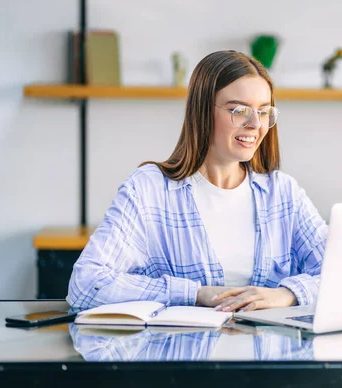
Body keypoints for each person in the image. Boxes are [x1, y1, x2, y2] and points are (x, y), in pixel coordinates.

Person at [67, 50, 327, 313]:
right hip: (180, 352)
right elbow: (86, 285)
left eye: (262, 112)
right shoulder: (148, 190)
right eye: (239, 110)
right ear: (202, 112)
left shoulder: (282, 193)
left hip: (265, 352)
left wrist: (287, 294)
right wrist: (195, 293)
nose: (254, 124)